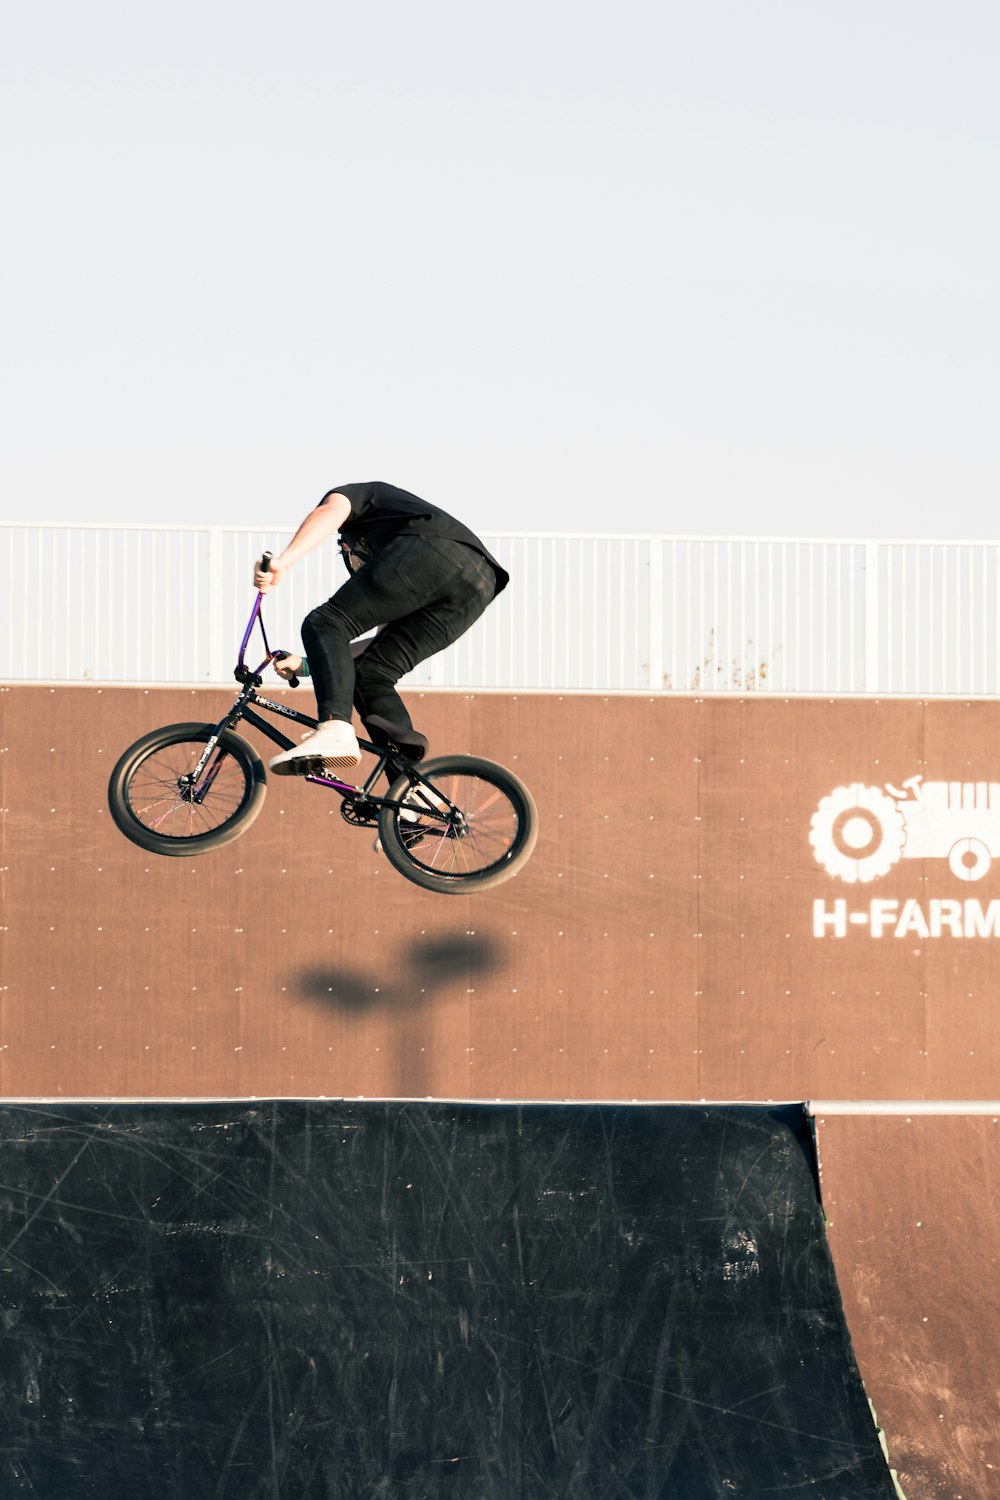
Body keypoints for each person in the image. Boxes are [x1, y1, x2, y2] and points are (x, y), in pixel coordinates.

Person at [253, 481, 508, 775]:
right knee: (371, 674)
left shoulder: (360, 499)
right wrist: (309, 665)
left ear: (348, 548)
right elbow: (376, 642)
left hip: (437, 547)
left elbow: (330, 512)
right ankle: (410, 792)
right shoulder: (404, 571)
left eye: (359, 565)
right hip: (479, 586)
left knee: (323, 621)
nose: (363, 574)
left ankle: (335, 728)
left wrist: (283, 562)